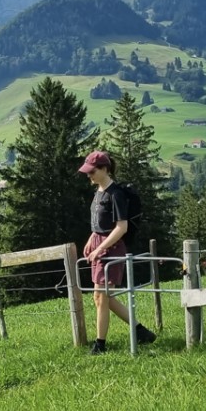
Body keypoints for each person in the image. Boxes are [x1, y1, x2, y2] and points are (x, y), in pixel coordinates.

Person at [78, 149, 156, 353]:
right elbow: (99, 224)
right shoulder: (99, 192)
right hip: (98, 245)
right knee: (102, 297)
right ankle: (141, 332)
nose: (89, 175)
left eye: (92, 171)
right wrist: (90, 240)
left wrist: (100, 248)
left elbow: (122, 227)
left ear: (105, 169)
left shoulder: (116, 194)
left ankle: (100, 345)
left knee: (102, 297)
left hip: (111, 249)